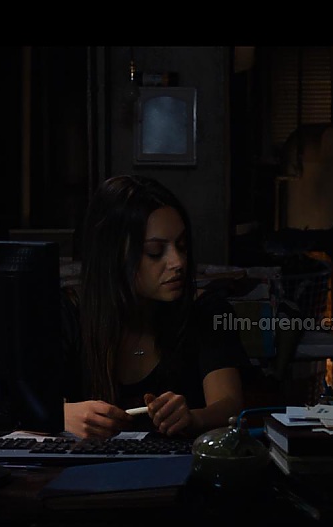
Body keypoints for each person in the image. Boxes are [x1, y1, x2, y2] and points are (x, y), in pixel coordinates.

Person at [59, 174, 249, 439]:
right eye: (155, 252)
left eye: (182, 246)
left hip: (180, 460)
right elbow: (17, 403)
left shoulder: (206, 311)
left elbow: (229, 406)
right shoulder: (69, 313)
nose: (178, 262)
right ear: (113, 256)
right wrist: (62, 415)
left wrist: (194, 418)